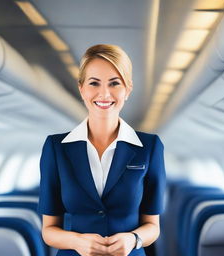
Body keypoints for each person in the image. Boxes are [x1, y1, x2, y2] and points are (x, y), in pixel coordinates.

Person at [38, 44, 166, 256]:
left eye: (115, 83)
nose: (104, 93)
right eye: (94, 83)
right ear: (82, 89)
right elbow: (49, 230)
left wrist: (134, 239)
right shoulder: (56, 148)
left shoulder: (150, 147)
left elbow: (153, 226)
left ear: (127, 90)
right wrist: (77, 241)